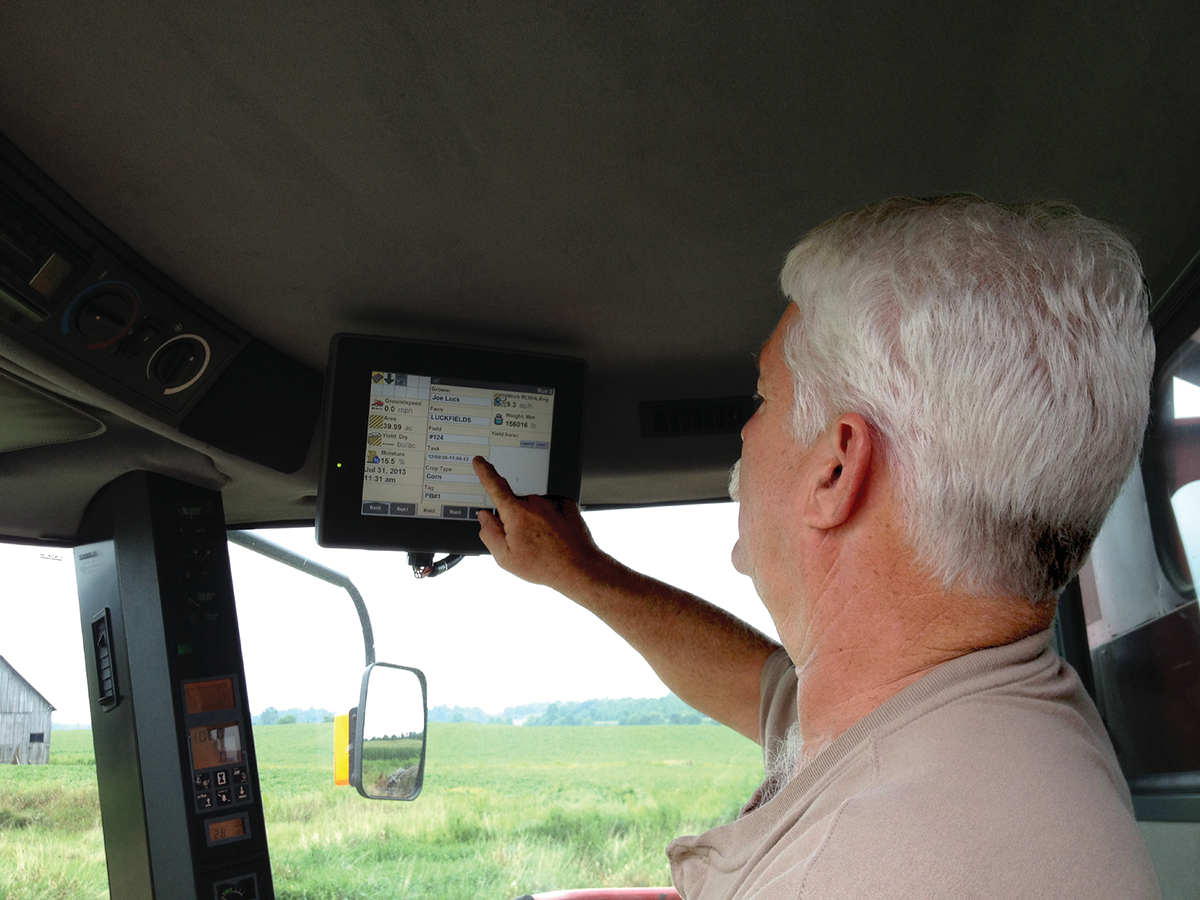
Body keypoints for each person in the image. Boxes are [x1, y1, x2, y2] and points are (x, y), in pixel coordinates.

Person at [471, 195, 1162, 898]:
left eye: (763, 397)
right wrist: (578, 572)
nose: (744, 434)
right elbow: (770, 693)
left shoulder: (846, 870)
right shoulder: (1006, 718)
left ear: (835, 471)